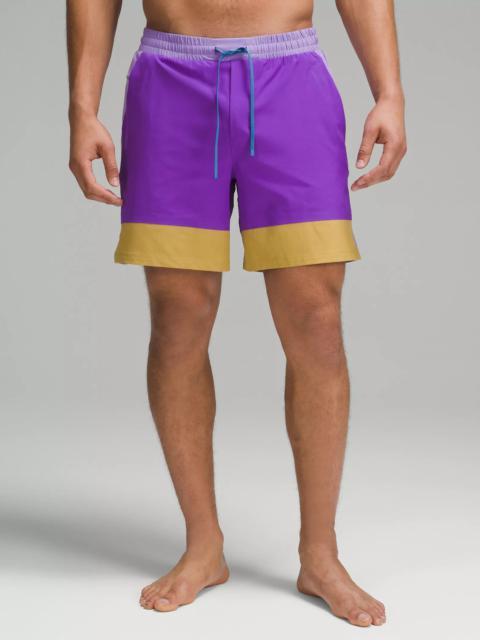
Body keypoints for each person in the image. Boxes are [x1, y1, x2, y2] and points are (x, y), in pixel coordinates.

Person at [67, 0, 406, 626]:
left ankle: (320, 554)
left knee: (316, 320)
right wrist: (82, 107)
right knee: (178, 316)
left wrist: (389, 91)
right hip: (170, 82)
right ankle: (203, 545)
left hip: (290, 78)